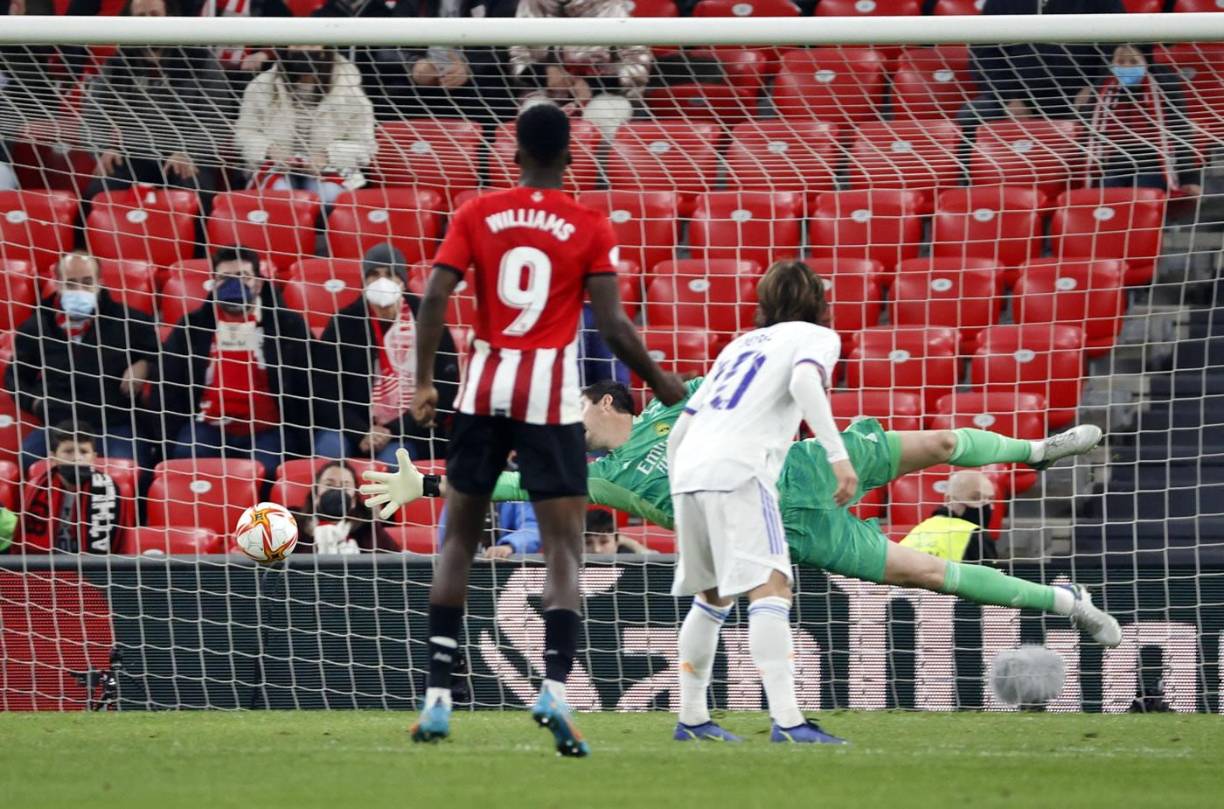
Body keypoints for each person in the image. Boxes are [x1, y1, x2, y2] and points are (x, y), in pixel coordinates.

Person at [397, 101, 685, 755]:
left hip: (483, 388)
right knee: (563, 549)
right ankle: (554, 688)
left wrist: (421, 380)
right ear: (569, 157)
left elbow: (436, 294)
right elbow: (611, 325)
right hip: (551, 400)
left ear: (515, 153)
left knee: (459, 543)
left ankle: (438, 697)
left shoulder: (477, 212)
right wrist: (662, 381)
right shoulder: (587, 222)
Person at [664, 260, 854, 745]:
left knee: (711, 596)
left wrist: (679, 482)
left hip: (689, 469)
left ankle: (691, 718)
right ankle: (789, 722)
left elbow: (681, 427)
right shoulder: (816, 336)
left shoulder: (737, 346)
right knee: (771, 588)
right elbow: (805, 384)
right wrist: (838, 456)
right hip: (740, 469)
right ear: (818, 300)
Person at [156, 246, 312, 477]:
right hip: (207, 425)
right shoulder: (192, 327)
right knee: (186, 464)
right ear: (214, 284)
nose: (233, 285)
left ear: (258, 283)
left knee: (268, 470)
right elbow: (168, 385)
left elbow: (307, 383)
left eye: (242, 277)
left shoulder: (288, 325)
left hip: (268, 428)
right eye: (225, 278)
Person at [5, 252, 159, 473]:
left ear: (100, 283)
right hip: (60, 425)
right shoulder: (36, 326)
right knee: (28, 460)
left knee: (132, 472)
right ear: (57, 284)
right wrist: (35, 403)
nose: (79, 290)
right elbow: (15, 377)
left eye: (87, 282)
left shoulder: (131, 322)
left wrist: (144, 365)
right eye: (71, 283)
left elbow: (162, 358)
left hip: (115, 423)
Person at [312, 244, 460, 464]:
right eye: (374, 275)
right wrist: (362, 431)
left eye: (390, 274)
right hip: (352, 428)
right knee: (329, 451)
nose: (382, 281)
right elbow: (324, 391)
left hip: (411, 430)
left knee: (391, 463)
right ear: (364, 280)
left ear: (402, 280)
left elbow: (445, 388)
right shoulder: (344, 322)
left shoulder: (428, 319)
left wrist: (393, 430)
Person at [81, 0, 233, 208]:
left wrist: (189, 152)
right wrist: (104, 148)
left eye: (154, 15)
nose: (148, 23)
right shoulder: (117, 64)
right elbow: (92, 117)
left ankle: (197, 241)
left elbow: (218, 121)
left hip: (185, 156)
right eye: (141, 17)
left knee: (198, 194)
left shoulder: (201, 61)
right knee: (97, 192)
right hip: (132, 155)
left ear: (170, 17)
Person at [235, 45, 375, 206]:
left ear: (325, 50)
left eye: (311, 45)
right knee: (280, 195)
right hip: (274, 168)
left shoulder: (351, 91)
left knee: (328, 195)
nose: (304, 49)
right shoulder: (261, 86)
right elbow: (245, 131)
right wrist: (269, 150)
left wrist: (328, 156)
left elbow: (365, 145)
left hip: (330, 170)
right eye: (297, 45)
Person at [960, 0, 1124, 131]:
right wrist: (1008, 98)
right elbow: (984, 56)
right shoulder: (1000, 3)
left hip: (1083, 97)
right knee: (970, 115)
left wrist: (1094, 89)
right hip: (1019, 99)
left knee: (1111, 116)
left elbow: (1119, 48)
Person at [508, 0, 652, 141]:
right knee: (534, 114)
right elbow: (517, 58)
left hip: (607, 94)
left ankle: (601, 164)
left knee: (603, 113)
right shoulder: (530, 4)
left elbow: (638, 64)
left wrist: (593, 86)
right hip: (545, 93)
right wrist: (545, 75)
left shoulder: (613, 6)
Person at [1078, 43, 1202, 196]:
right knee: (1107, 191)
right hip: (1115, 164)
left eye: (1133, 62)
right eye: (1121, 62)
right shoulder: (1103, 89)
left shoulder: (1165, 87)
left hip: (1155, 165)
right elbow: (1089, 131)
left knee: (1143, 192)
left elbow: (1180, 133)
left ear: (1146, 63)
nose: (1126, 67)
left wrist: (1190, 178)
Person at [13, 421, 132, 553]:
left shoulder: (109, 489)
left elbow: (122, 546)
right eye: (68, 451)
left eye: (83, 452)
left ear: (94, 457)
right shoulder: (36, 488)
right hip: (44, 569)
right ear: (53, 457)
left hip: (94, 571)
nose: (76, 458)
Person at [294, 460, 397, 554]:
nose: (337, 490)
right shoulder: (294, 524)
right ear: (316, 494)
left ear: (354, 501)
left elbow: (396, 560)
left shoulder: (368, 528)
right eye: (329, 484)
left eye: (345, 487)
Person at [899, 470, 999, 563]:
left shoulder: (920, 530)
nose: (985, 505)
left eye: (990, 499)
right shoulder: (976, 535)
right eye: (975, 498)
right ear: (949, 499)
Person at [583, 508, 650, 555]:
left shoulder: (629, 563)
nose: (597, 550)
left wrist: (633, 544)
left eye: (604, 542)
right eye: (588, 543)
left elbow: (653, 560)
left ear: (617, 542)